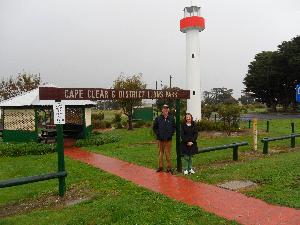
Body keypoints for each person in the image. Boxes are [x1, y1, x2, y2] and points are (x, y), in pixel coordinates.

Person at [153, 104, 176, 174]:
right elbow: (155, 128)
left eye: (166, 108)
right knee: (160, 153)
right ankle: (160, 167)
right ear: (162, 110)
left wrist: (170, 134)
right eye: (164, 108)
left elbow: (174, 128)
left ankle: (169, 168)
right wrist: (158, 135)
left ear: (168, 110)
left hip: (168, 140)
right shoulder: (158, 118)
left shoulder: (171, 118)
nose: (165, 110)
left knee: (168, 154)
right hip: (160, 140)